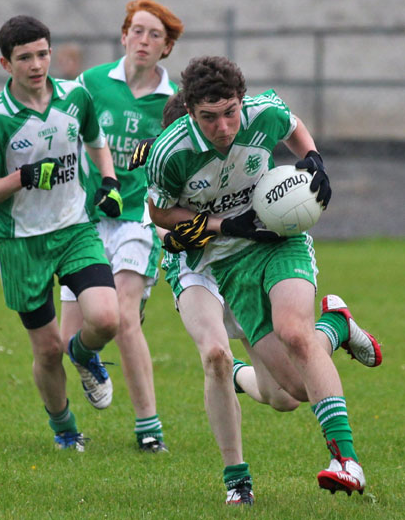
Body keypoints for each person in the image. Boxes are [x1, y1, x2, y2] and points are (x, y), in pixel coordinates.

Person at [131, 91, 382, 504]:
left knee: (286, 396)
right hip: (198, 268)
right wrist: (221, 226)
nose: (220, 133)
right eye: (207, 124)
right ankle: (237, 481)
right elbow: (169, 234)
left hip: (247, 257)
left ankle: (331, 328)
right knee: (215, 354)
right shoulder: (170, 165)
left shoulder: (241, 146)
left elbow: (283, 139)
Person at [0, 15, 121, 451]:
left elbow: (96, 140)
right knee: (47, 349)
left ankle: (86, 352)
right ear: (6, 63)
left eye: (42, 54)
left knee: (107, 318)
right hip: (22, 244)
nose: (36, 64)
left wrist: (108, 182)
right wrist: (24, 176)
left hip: (75, 229)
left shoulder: (75, 96)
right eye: (24, 58)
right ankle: (65, 429)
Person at [59, 0, 184, 453]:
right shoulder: (90, 84)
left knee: (125, 317)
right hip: (83, 222)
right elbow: (58, 128)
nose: (144, 41)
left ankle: (149, 429)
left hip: (139, 220)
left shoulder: (174, 104)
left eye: (156, 35)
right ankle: (82, 356)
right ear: (124, 36)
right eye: (138, 31)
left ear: (166, 48)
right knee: (67, 337)